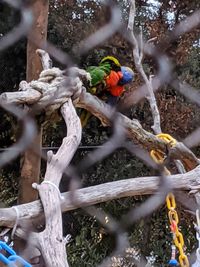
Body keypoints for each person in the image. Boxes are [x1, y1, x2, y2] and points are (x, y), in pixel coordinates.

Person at [80, 56, 134, 127]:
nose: (120, 77)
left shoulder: (118, 88)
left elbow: (111, 103)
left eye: (122, 81)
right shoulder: (105, 73)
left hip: (94, 102)